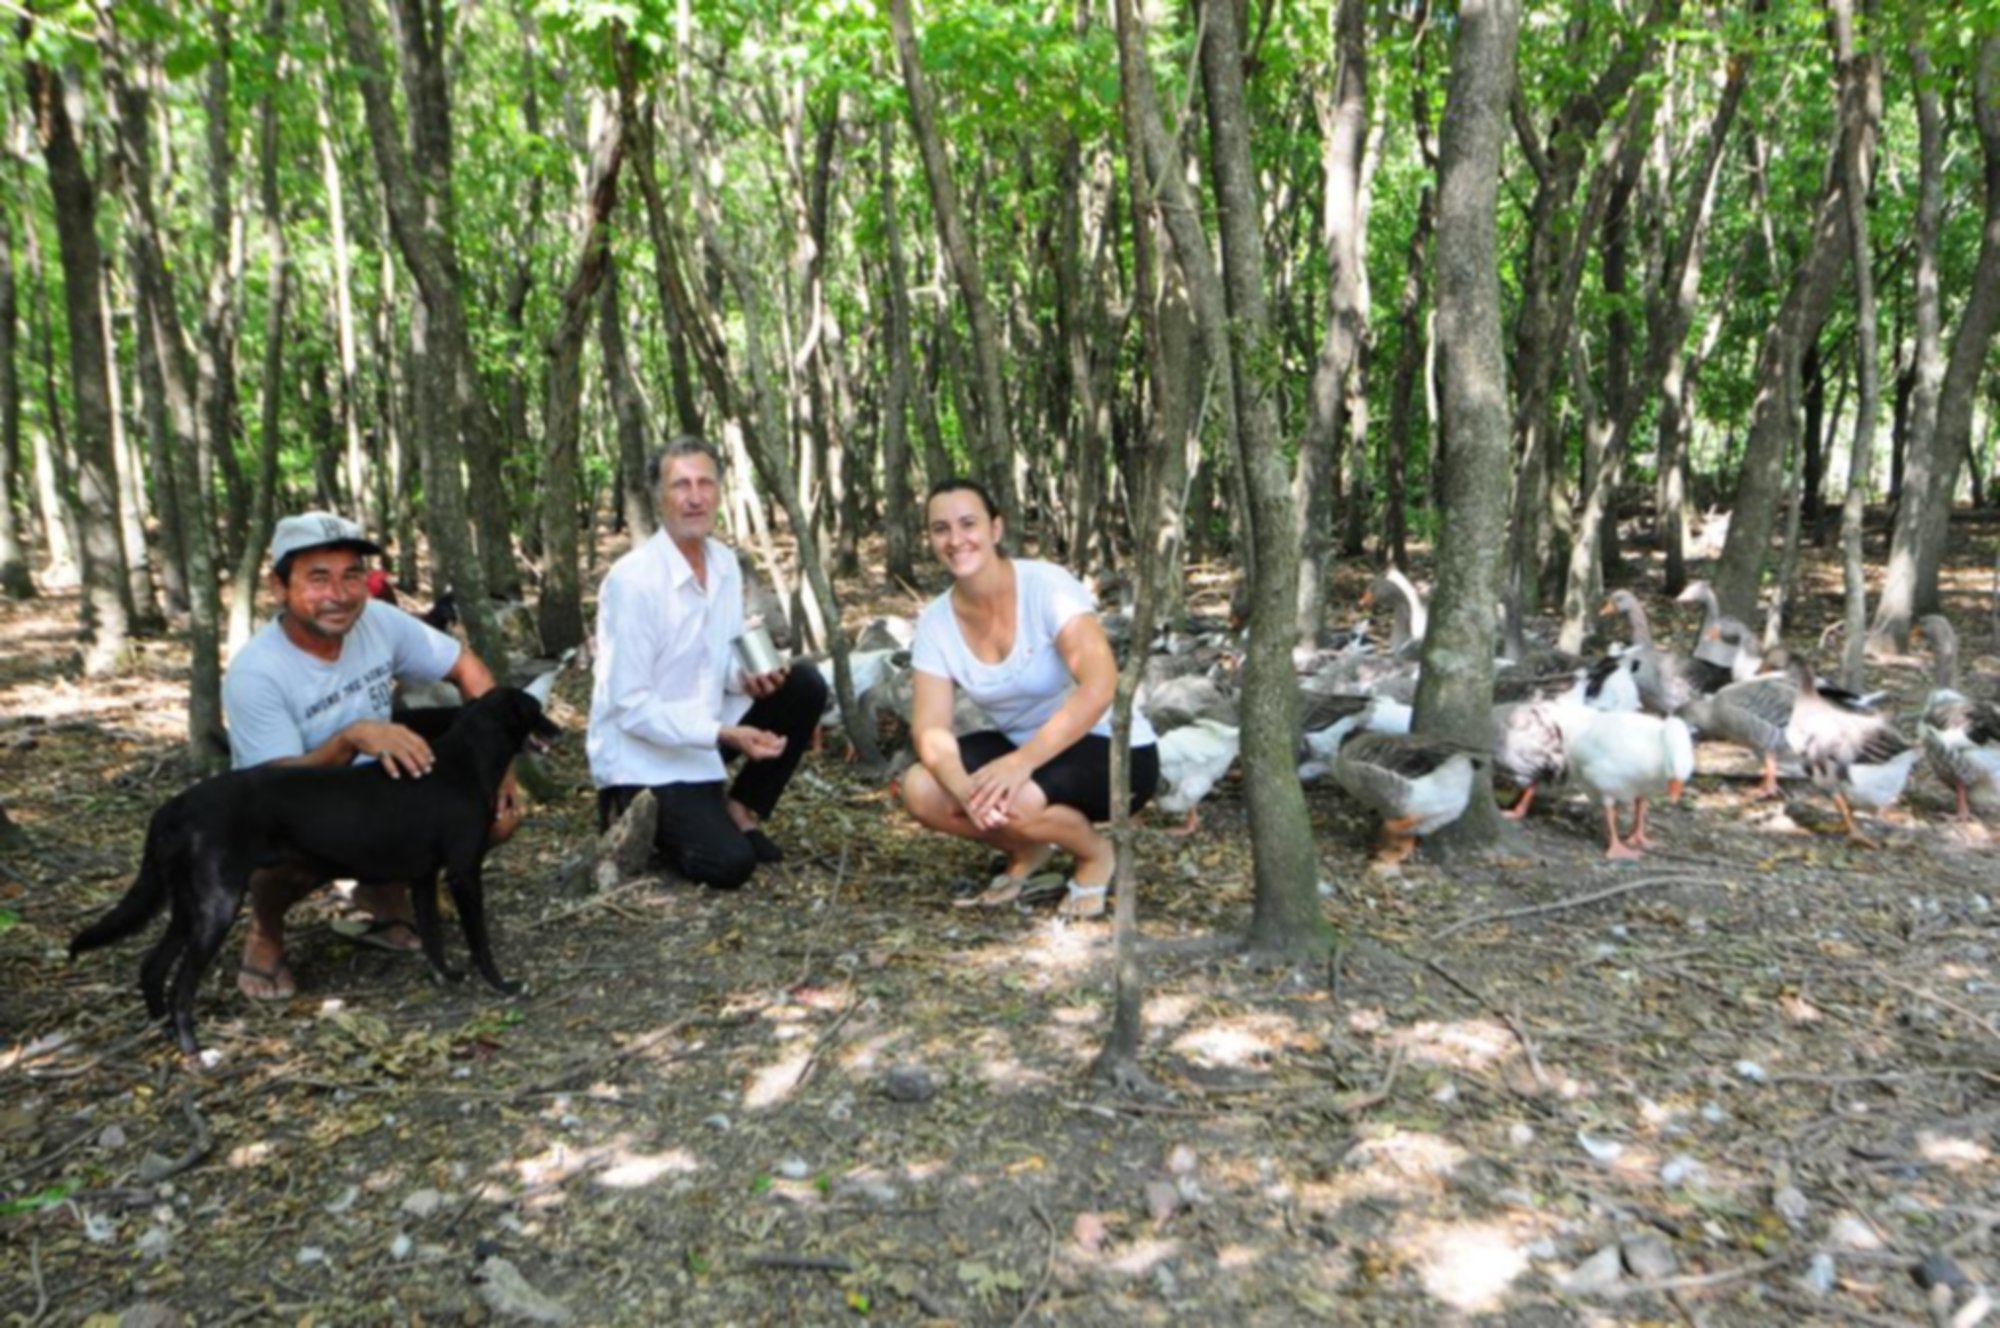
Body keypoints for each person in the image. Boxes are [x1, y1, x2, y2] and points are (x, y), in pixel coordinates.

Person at [221, 512, 522, 1000]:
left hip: (381, 797)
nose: (338, 595)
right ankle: (265, 934)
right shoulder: (256, 673)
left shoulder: (378, 621)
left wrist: (502, 770)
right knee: (277, 847)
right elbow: (271, 789)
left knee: (493, 817)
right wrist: (347, 740)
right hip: (295, 807)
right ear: (279, 587)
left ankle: (383, 894)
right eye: (318, 578)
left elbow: (469, 671)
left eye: (351, 575)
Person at [900, 478, 1160, 919]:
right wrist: (963, 788)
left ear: (995, 529)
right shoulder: (935, 622)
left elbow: (1101, 686)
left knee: (1012, 799)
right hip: (1024, 751)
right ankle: (1029, 847)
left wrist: (1021, 764)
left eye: (968, 524)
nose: (956, 539)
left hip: (1111, 747)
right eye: (941, 529)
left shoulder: (1047, 586)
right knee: (923, 788)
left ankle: (1096, 854)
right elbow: (930, 727)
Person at [587, 438, 827, 888]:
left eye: (705, 483)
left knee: (805, 685)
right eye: (680, 485)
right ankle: (632, 812)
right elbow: (630, 705)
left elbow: (716, 664)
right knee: (729, 865)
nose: (694, 497)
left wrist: (748, 680)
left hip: (703, 734)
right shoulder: (634, 582)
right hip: (645, 755)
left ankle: (739, 808)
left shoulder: (724, 564)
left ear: (719, 492)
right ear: (660, 498)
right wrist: (725, 733)